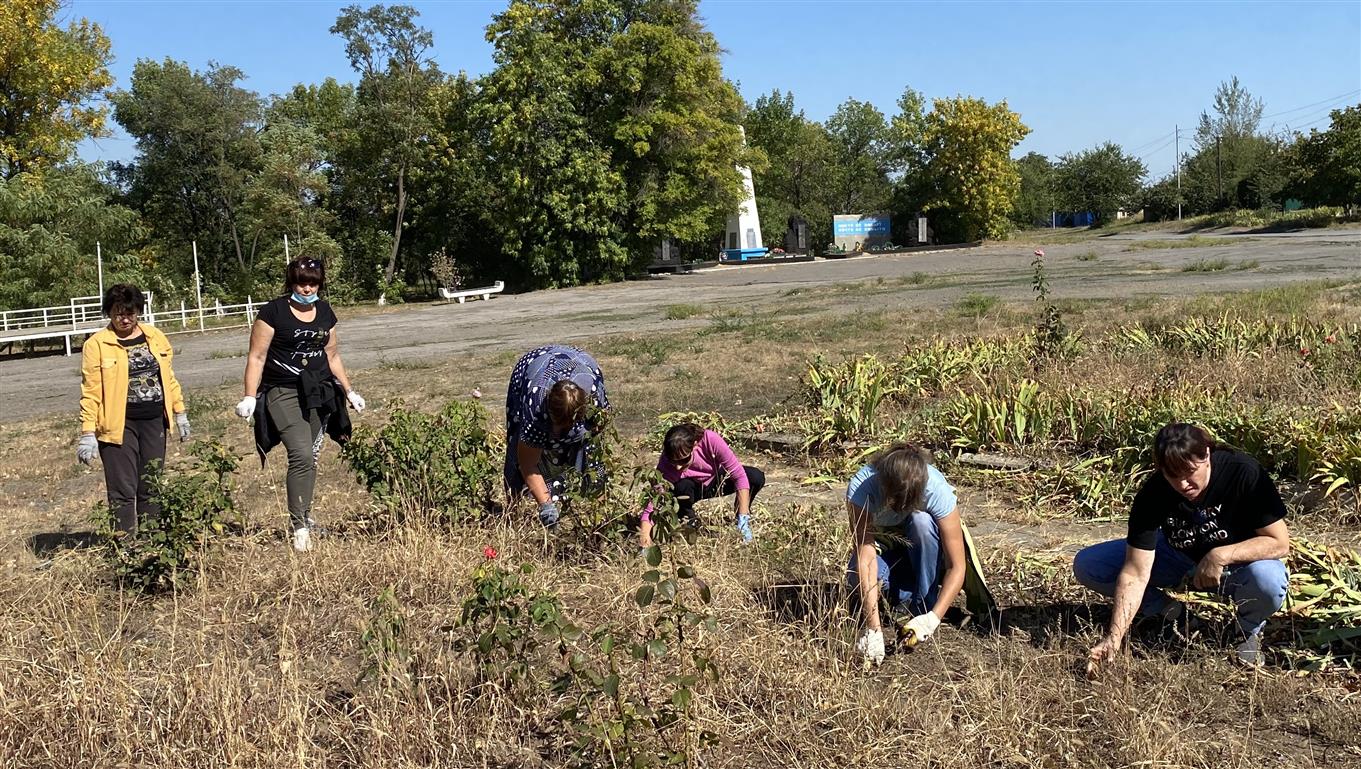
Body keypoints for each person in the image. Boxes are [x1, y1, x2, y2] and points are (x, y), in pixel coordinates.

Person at [1076, 423, 1290, 668]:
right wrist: (1114, 638)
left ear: (1206, 455)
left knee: (1268, 579)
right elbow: (1135, 573)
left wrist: (1220, 555)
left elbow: (1279, 542)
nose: (1183, 485)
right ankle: (1171, 613)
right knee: (1089, 565)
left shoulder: (1242, 472)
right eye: (1172, 476)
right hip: (1178, 556)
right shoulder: (1153, 493)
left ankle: (1246, 631)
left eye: (1189, 473)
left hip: (1237, 566)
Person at [235, 258, 364, 552]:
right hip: (283, 390)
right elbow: (256, 356)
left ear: (320, 284)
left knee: (312, 455)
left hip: (317, 390)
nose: (307, 289)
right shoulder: (273, 312)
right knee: (301, 452)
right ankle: (299, 527)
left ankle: (306, 515)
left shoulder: (325, 312)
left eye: (313, 283)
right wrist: (249, 396)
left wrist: (349, 390)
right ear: (291, 282)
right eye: (301, 282)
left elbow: (332, 356)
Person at [78, 284, 190, 535]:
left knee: (151, 484)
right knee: (122, 490)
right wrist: (87, 433)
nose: (125, 319)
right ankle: (125, 547)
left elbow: (168, 377)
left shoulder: (155, 337)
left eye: (130, 312)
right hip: (118, 426)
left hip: (154, 421)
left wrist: (179, 412)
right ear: (109, 313)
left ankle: (153, 544)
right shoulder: (97, 345)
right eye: (118, 313)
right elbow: (91, 391)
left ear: (139, 311)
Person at [846, 443, 968, 665]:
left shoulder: (937, 490)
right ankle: (899, 597)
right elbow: (866, 558)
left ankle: (922, 607)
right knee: (856, 575)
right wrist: (873, 629)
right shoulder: (862, 489)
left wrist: (933, 618)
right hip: (885, 554)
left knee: (921, 521)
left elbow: (957, 566)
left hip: (925, 555)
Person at [504, 345, 609, 530]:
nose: (560, 431)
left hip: (581, 362)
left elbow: (595, 447)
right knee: (520, 447)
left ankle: (596, 521)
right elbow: (527, 463)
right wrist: (546, 505)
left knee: (589, 451)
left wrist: (599, 509)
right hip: (533, 367)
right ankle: (512, 517)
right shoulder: (535, 405)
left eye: (568, 426)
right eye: (557, 424)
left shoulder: (595, 401)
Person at [639, 423, 764, 546]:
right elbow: (653, 504)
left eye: (683, 460)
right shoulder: (666, 464)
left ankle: (740, 516)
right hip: (689, 490)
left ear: (694, 445)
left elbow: (739, 476)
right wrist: (645, 542)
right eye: (673, 461)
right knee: (682, 486)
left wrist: (743, 519)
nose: (678, 466)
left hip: (714, 480)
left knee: (755, 477)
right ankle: (688, 519)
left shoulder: (710, 440)